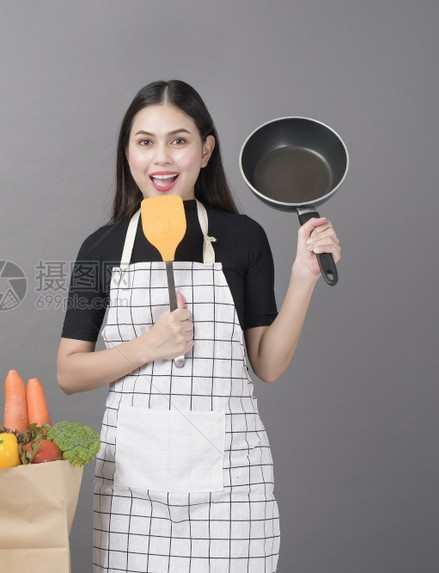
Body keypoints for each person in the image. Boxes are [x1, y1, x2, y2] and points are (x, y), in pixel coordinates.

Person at [57, 80, 340, 572]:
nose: (161, 159)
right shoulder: (99, 250)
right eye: (145, 142)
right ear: (127, 153)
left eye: (179, 140)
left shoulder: (244, 238)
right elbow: (69, 372)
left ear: (206, 150)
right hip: (132, 488)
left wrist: (303, 278)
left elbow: (267, 365)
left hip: (232, 482)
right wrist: (146, 346)